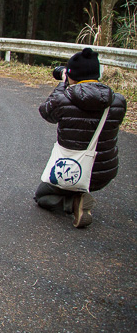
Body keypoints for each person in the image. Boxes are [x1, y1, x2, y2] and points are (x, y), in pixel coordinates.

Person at [35, 48, 126, 228]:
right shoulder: (118, 101)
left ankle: (72, 202)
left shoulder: (64, 99)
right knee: (77, 180)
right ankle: (79, 192)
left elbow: (46, 112)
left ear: (71, 75)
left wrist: (62, 85)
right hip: (102, 173)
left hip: (72, 169)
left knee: (43, 196)